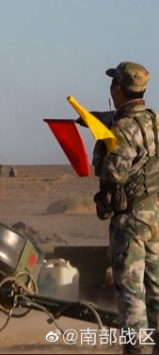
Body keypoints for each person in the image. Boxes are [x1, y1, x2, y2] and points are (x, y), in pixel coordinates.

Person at [93, 61, 158, 354]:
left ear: (117, 88)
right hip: (155, 215)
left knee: (131, 295)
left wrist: (100, 146)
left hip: (131, 221)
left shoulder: (123, 128)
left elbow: (113, 173)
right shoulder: (154, 121)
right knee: (156, 292)